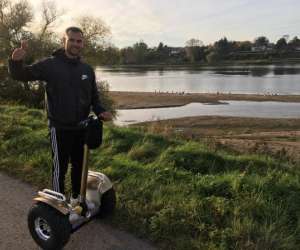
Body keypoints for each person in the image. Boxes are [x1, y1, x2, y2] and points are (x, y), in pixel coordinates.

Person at [8, 26, 112, 205]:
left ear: (83, 43)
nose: (75, 44)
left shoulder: (87, 69)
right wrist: (16, 61)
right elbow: (21, 75)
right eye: (71, 40)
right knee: (60, 167)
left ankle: (76, 199)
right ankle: (57, 204)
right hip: (60, 127)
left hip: (82, 127)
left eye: (79, 41)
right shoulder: (50, 65)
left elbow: (94, 97)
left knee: (79, 166)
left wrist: (100, 110)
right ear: (64, 41)